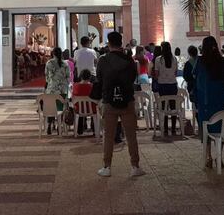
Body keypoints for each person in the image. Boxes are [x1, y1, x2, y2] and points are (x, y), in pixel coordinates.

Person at [94, 31, 144, 178]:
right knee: (131, 136)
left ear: (109, 44)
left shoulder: (103, 60)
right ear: (121, 43)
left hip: (109, 101)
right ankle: (135, 166)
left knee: (108, 136)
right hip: (127, 101)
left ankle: (107, 167)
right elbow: (133, 78)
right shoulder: (129, 60)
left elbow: (99, 78)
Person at [193, 36, 224, 149]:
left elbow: (194, 75)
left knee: (205, 126)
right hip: (219, 98)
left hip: (205, 98)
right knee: (219, 127)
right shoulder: (222, 60)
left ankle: (207, 155)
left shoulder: (201, 60)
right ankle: (220, 155)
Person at [152, 41, 179, 135]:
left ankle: (166, 129)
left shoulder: (158, 59)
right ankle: (174, 129)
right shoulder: (174, 59)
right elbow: (176, 73)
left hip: (162, 85)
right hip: (172, 85)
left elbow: (156, 74)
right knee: (173, 107)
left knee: (164, 107)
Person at [44, 47, 70, 135]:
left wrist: (51, 82)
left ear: (53, 54)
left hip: (52, 88)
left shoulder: (49, 63)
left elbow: (47, 77)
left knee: (51, 108)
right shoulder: (65, 64)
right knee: (61, 108)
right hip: (62, 89)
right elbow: (68, 76)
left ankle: (49, 124)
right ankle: (60, 125)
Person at [73, 69, 96, 135]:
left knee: (78, 105)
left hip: (79, 110)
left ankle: (79, 129)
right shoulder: (92, 86)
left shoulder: (75, 86)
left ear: (81, 76)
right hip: (92, 109)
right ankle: (94, 129)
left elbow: (73, 98)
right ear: (90, 77)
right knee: (94, 105)